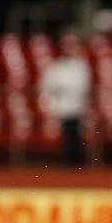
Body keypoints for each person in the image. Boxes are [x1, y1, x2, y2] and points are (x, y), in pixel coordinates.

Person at [39, 32, 91, 165]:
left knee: (75, 137)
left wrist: (62, 89)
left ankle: (75, 164)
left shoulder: (81, 65)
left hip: (76, 109)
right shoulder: (56, 66)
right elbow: (47, 85)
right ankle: (67, 163)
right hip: (60, 108)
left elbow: (81, 86)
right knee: (66, 137)